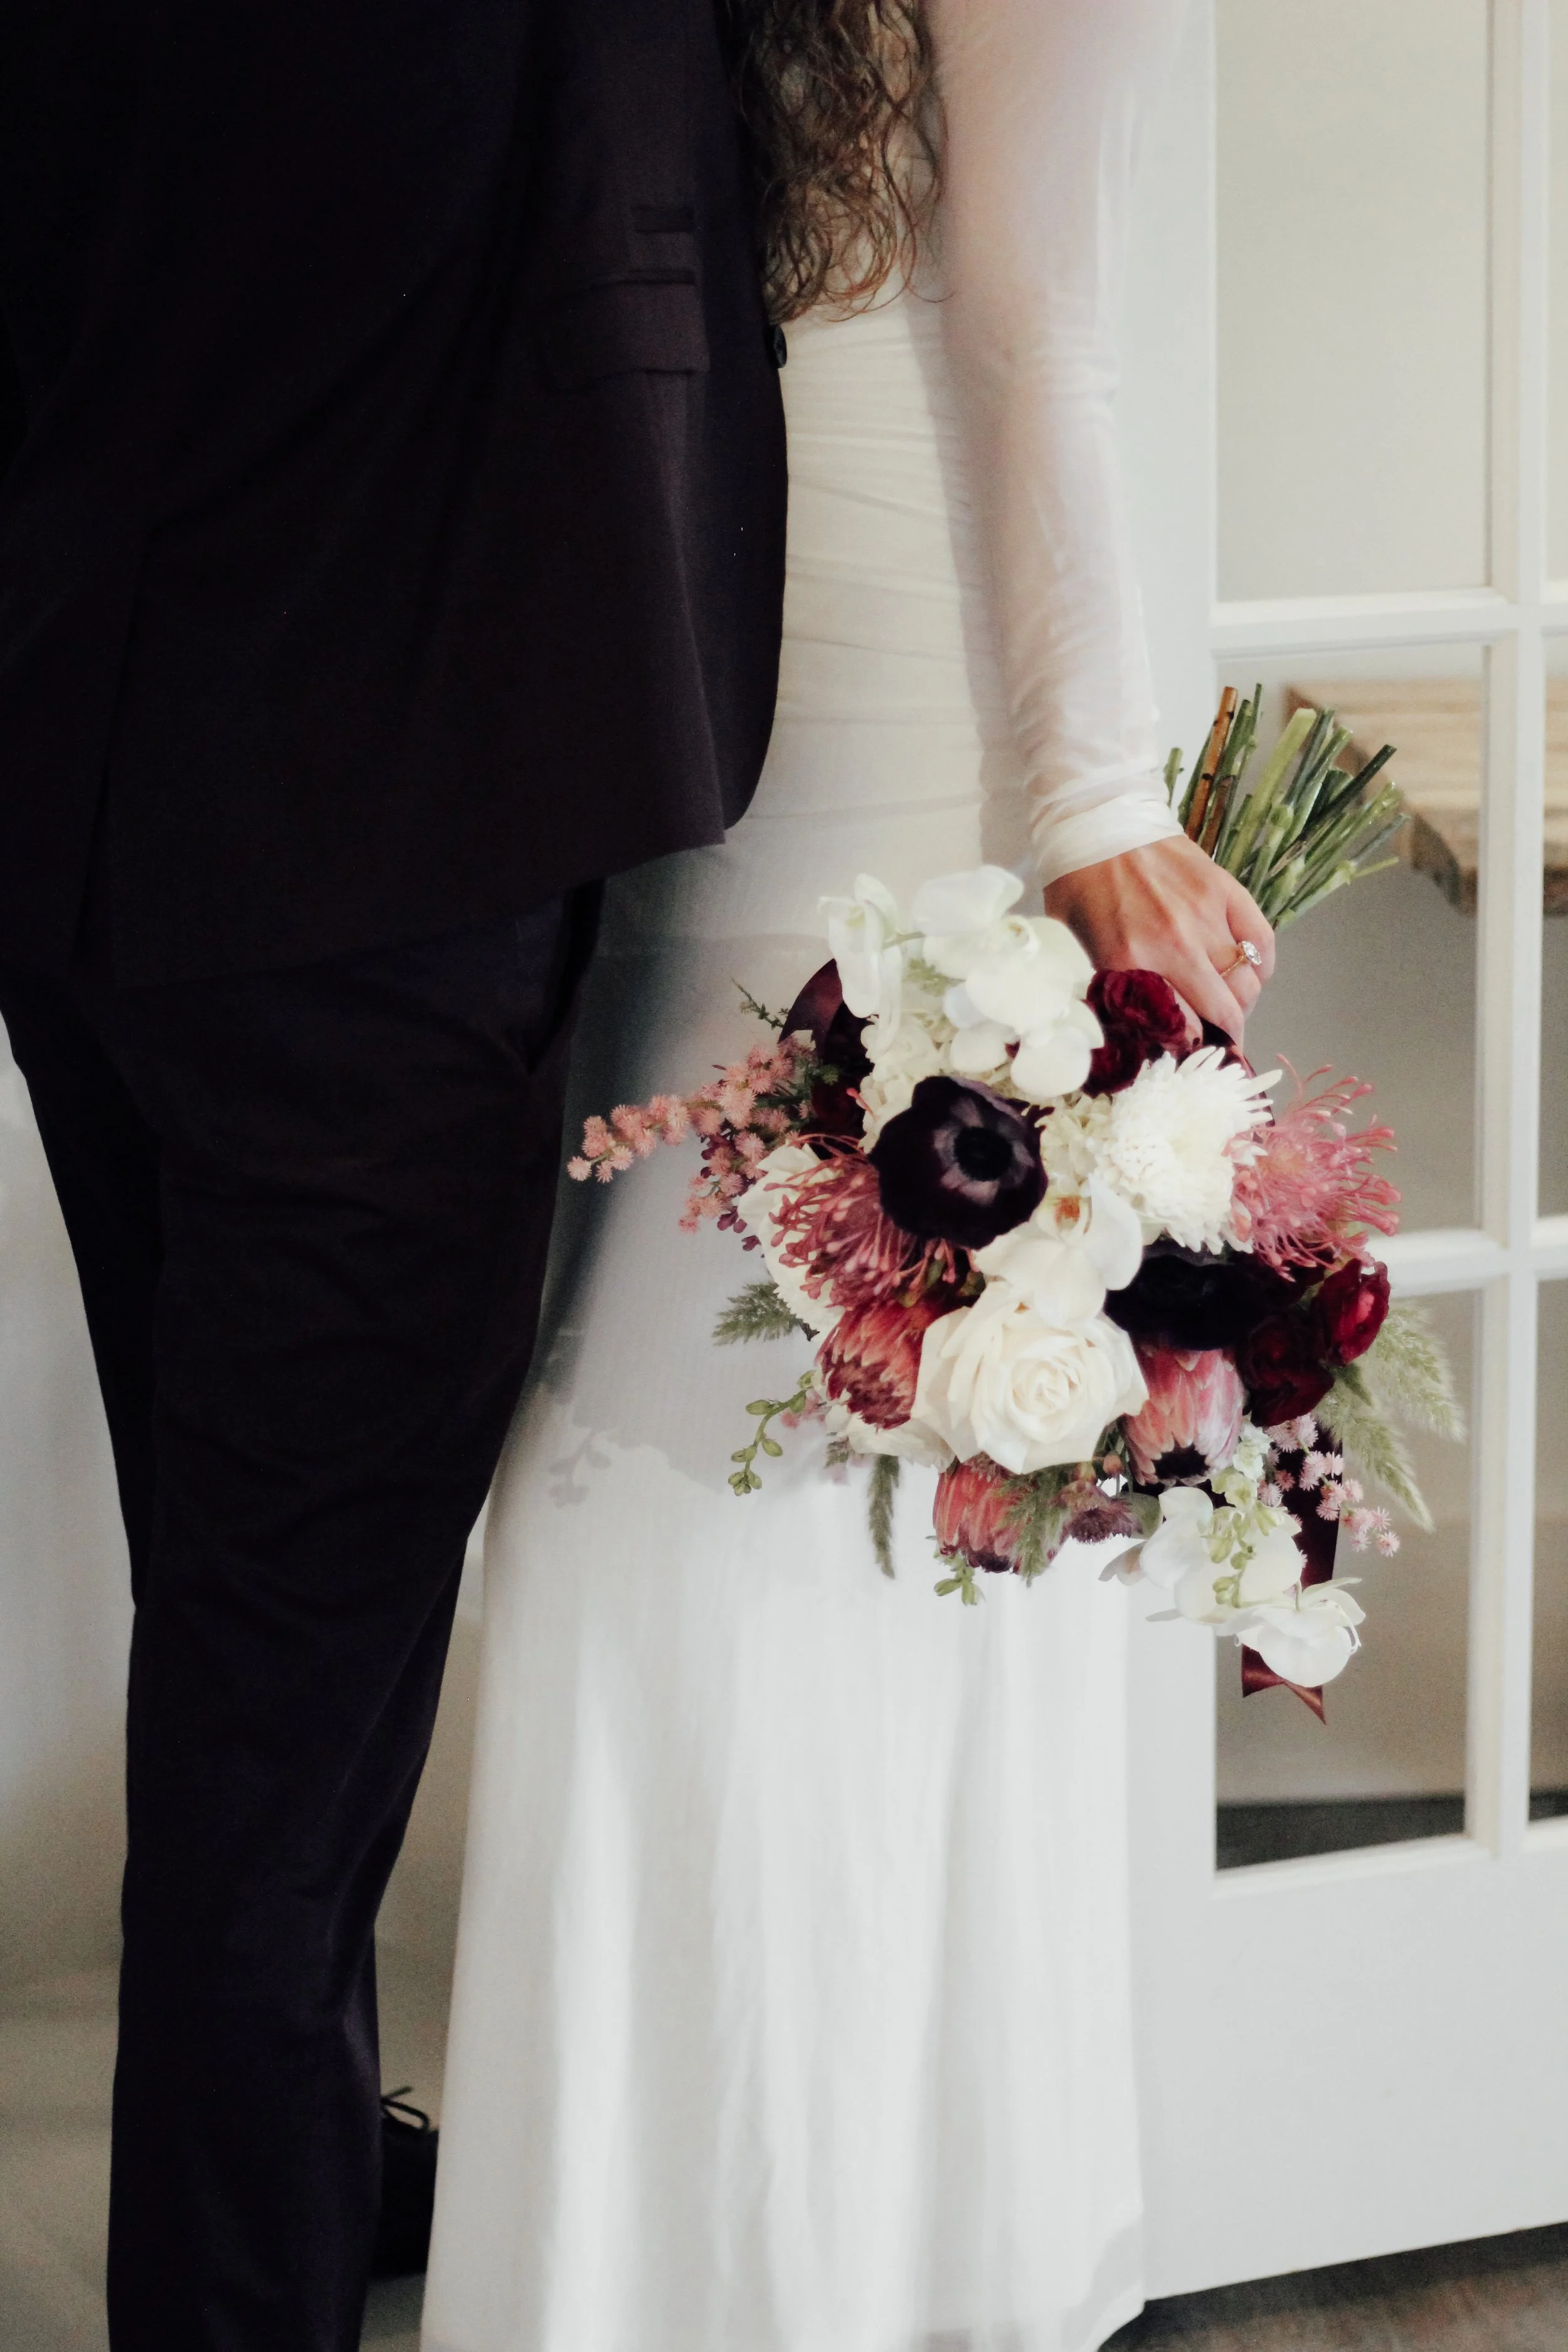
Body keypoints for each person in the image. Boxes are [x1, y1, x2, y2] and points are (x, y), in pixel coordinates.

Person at [425, 5, 1272, 2351]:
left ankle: (852, 2274)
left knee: (828, 1480)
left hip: (928, 677)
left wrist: (1089, 794)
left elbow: (1028, 302)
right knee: (651, 1478)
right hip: (703, 626)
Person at [0, 6, 787, 2348]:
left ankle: (287, 2150)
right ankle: (231, 2283)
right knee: (284, 1684)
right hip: (375, 869)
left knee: (247, 1623)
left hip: (97, 807)